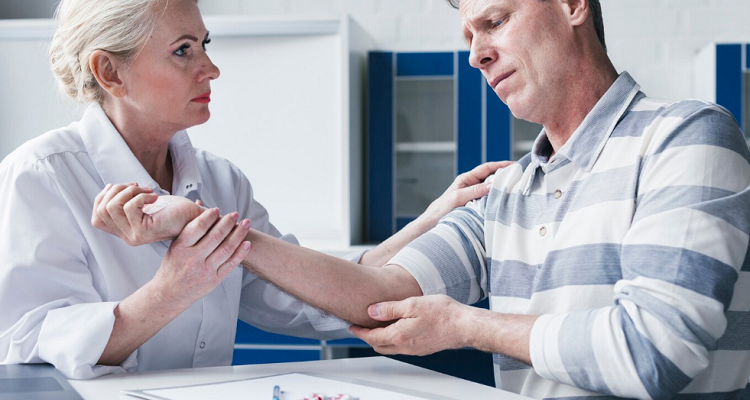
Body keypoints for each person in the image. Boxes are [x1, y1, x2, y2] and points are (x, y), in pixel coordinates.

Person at [97, 0, 750, 398]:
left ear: (572, 4)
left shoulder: (684, 138)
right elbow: (374, 294)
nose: (476, 55)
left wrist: (467, 325)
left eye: (495, 21)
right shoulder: (508, 192)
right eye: (469, 36)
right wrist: (198, 223)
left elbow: (654, 351)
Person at [0, 0, 508, 380]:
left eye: (204, 45)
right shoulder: (41, 177)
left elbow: (313, 297)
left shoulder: (222, 181)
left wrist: (430, 221)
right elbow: (30, 351)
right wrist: (172, 289)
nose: (211, 68)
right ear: (110, 71)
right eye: (182, 51)